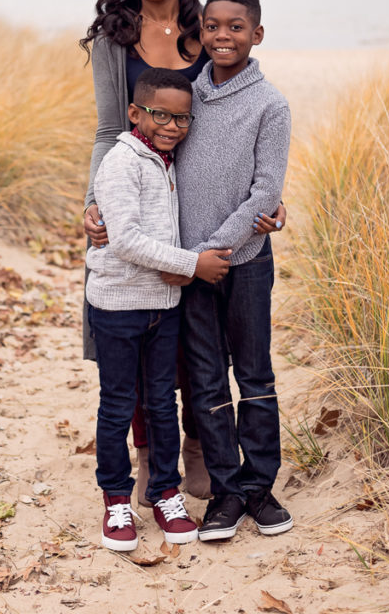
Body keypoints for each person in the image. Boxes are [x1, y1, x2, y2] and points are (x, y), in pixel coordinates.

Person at [80, 0, 286, 503]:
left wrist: (267, 198)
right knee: (138, 326)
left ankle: (197, 444)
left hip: (201, 209)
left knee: (195, 338)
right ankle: (151, 454)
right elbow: (106, 130)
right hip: (138, 204)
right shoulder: (111, 41)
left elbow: (236, 117)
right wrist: (94, 202)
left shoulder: (211, 28)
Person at [86, 67, 232, 551]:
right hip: (119, 307)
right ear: (135, 113)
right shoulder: (121, 162)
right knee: (118, 405)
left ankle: (165, 492)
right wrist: (193, 265)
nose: (171, 126)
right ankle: (116, 501)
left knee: (161, 404)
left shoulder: (166, 160)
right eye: (160, 115)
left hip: (163, 307)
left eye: (182, 119)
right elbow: (124, 240)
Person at [172, 0, 294, 540]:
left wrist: (216, 249)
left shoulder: (270, 104)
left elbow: (266, 190)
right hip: (192, 269)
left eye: (236, 27)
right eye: (213, 27)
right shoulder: (185, 99)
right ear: (200, 33)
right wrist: (195, 259)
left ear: (257, 34)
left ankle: (258, 487)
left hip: (243, 263)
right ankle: (224, 490)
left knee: (254, 372)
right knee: (205, 379)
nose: (223, 36)